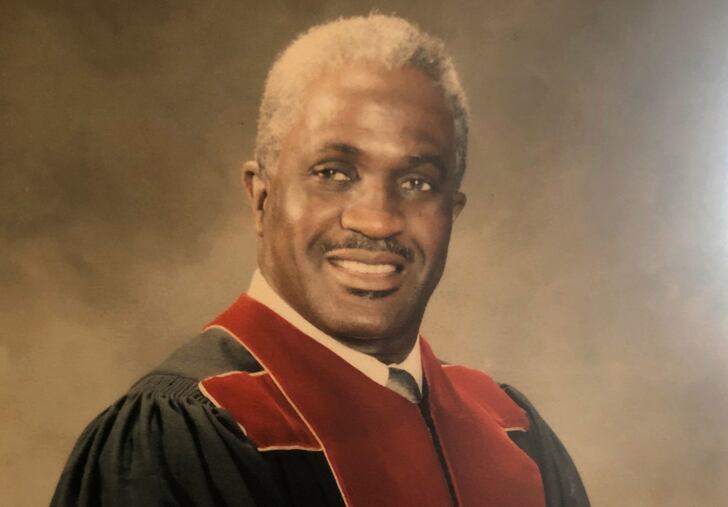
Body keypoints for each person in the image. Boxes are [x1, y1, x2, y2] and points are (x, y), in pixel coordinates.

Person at [52, 14, 589, 507]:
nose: (377, 220)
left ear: (452, 213)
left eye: (417, 182)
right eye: (333, 173)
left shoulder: (511, 428)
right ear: (261, 198)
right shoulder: (183, 433)